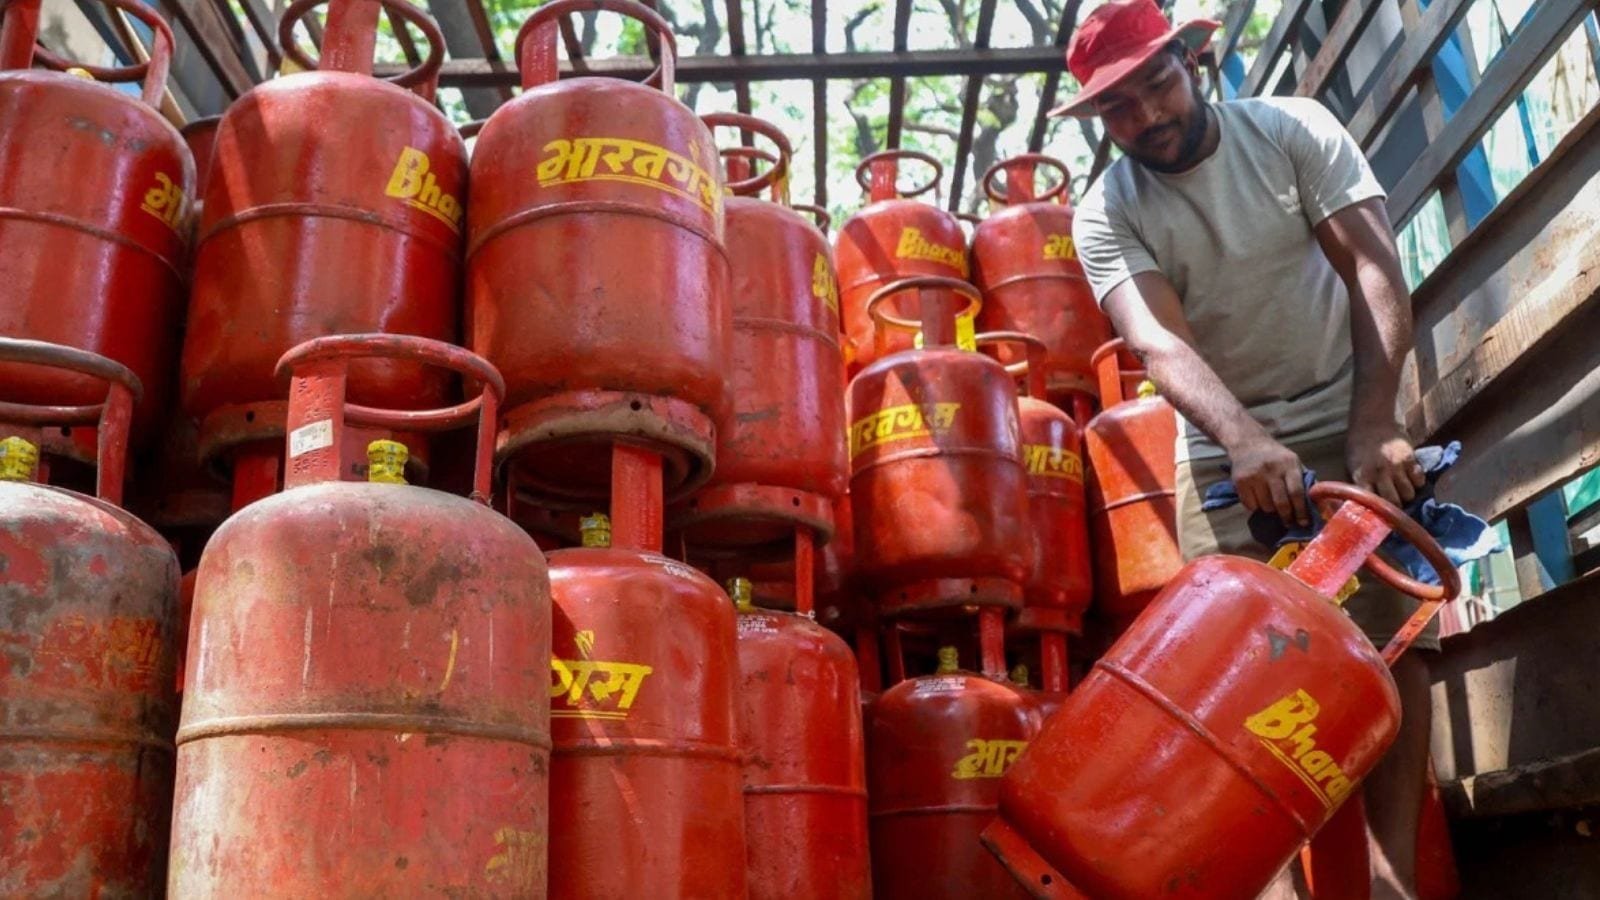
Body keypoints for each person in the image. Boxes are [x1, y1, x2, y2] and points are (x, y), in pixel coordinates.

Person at [1055, 1, 1436, 898]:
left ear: (1193, 63)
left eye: (1157, 85)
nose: (1146, 117)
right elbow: (1158, 342)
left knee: (1390, 649)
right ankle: (1268, 887)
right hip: (1226, 441)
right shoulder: (1105, 210)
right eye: (1117, 108)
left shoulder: (1291, 131)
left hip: (1346, 400)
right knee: (1229, 672)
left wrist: (1375, 421)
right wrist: (1244, 441)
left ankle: (1393, 880)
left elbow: (1374, 266)